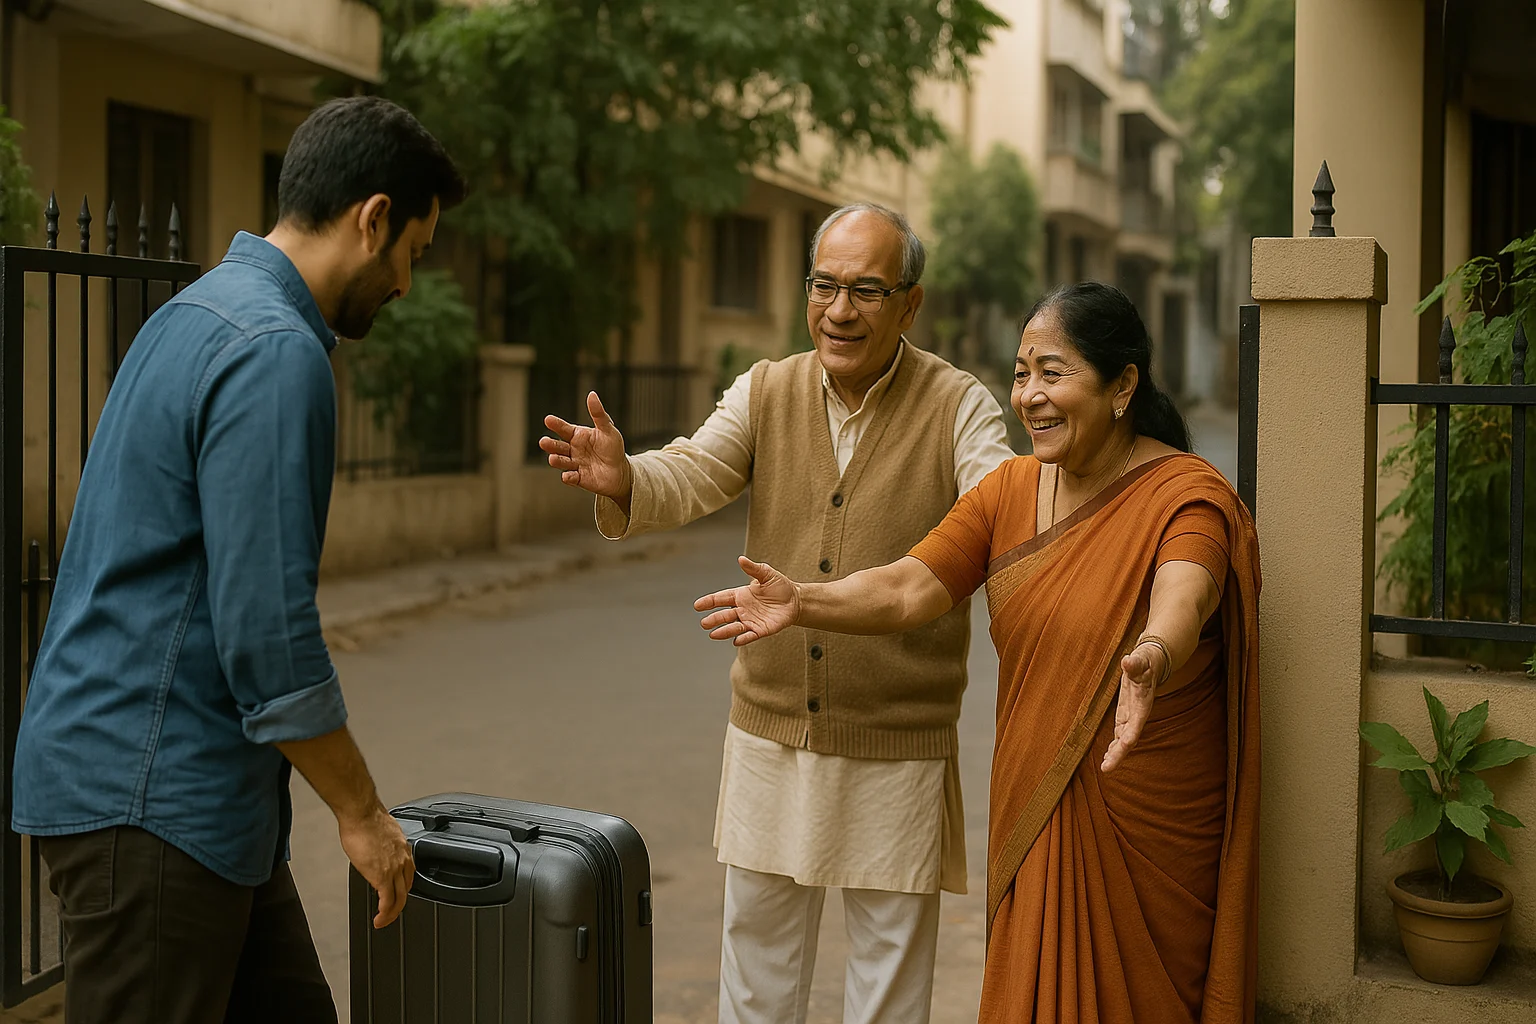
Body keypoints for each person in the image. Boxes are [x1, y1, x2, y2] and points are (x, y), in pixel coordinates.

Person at [11, 96, 465, 1023]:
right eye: (414, 249)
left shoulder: (197, 312)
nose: (408, 282)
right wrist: (363, 813)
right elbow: (269, 637)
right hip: (152, 804)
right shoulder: (274, 350)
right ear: (371, 218)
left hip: (198, 811)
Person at [696, 281, 1261, 1024]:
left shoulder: (1185, 492)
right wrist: (803, 601)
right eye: (1022, 373)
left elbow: (1185, 585)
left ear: (1123, 386)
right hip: (1039, 809)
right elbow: (907, 589)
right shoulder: (1009, 490)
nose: (1029, 395)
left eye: (1053, 373)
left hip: (1149, 819)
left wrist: (1155, 650)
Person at [540, 202, 1014, 1023]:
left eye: (867, 290)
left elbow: (996, 508)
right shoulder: (767, 388)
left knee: (887, 990)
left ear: (911, 303)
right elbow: (696, 466)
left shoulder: (958, 405)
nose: (840, 310)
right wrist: (626, 480)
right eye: (824, 285)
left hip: (898, 742)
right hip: (769, 734)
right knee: (756, 979)